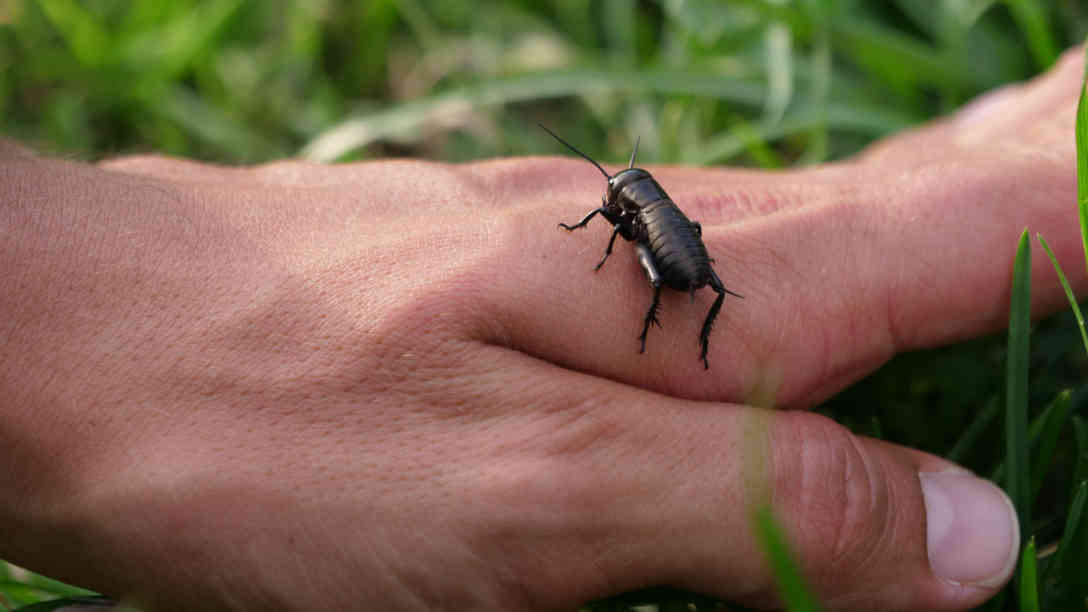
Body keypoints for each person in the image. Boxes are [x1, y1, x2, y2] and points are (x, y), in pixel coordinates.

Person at [0, 45, 1084, 612]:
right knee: (682, 295)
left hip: (685, 264)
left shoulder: (631, 215)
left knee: (677, 295)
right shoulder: (630, 210)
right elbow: (623, 231)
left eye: (613, 194)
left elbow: (623, 233)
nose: (611, 203)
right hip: (688, 265)